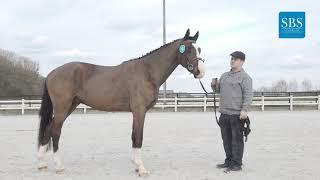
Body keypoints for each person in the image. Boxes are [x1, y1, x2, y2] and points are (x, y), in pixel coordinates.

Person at [211, 51, 253, 172]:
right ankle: (229, 160)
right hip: (224, 114)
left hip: (236, 114)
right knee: (226, 140)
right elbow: (218, 91)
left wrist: (245, 110)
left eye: (235, 59)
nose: (232, 60)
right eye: (231, 58)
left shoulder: (245, 78)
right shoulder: (224, 75)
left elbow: (248, 95)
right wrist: (214, 86)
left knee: (237, 140)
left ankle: (236, 163)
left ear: (241, 61)